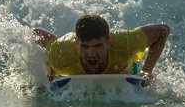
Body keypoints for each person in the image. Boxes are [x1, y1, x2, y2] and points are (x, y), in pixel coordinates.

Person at [33, 15, 170, 85]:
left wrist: (146, 71)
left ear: (108, 42)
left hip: (123, 66)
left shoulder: (127, 43)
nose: (91, 54)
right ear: (76, 43)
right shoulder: (60, 53)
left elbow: (163, 31)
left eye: (98, 46)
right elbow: (35, 33)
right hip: (65, 56)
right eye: (85, 47)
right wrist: (49, 76)